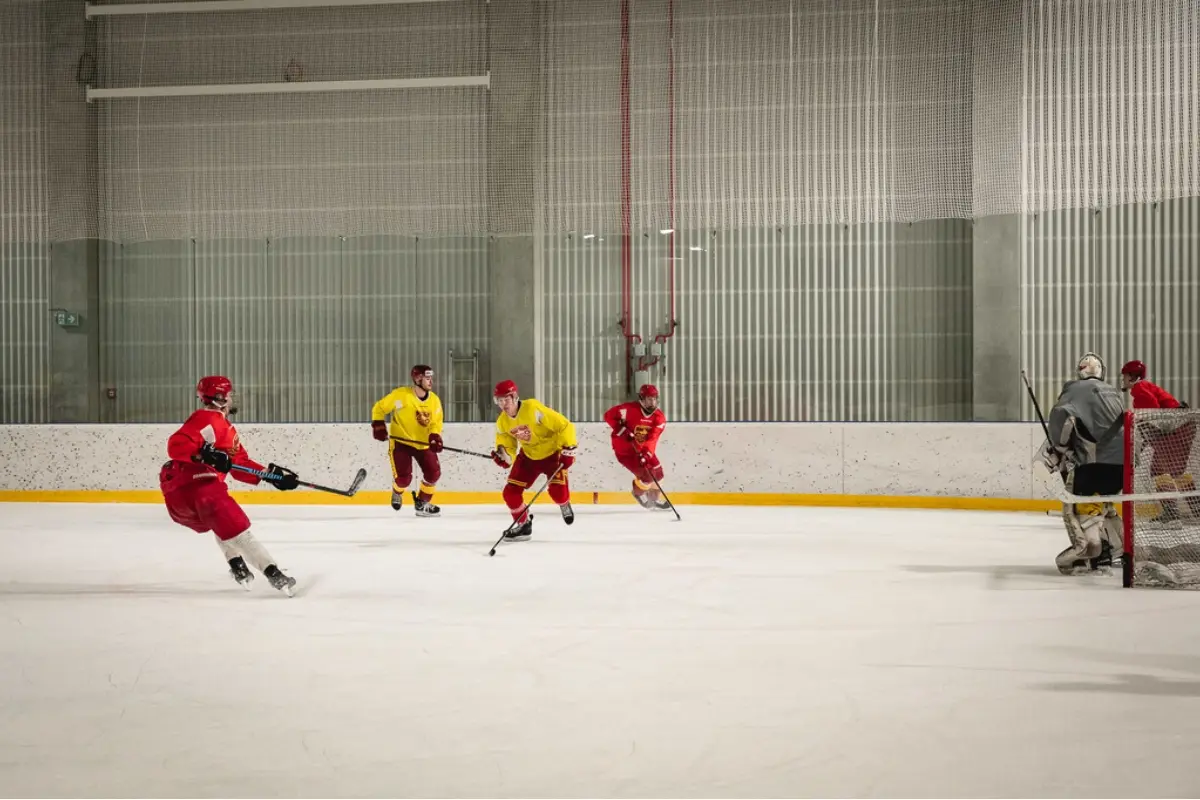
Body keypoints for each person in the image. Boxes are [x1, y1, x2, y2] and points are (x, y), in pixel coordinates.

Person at [158, 375, 298, 595]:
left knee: (222, 523)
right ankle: (276, 576)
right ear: (219, 397)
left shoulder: (223, 427)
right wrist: (204, 455)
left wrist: (272, 476)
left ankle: (238, 568)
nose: (232, 398)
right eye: (230, 394)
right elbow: (176, 445)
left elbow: (238, 463)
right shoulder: (207, 419)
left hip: (189, 493)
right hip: (196, 486)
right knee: (239, 530)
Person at [1039, 353, 1125, 575]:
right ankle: (1113, 552)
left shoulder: (1074, 389)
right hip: (1120, 466)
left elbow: (1061, 417)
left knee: (1075, 507)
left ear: (1080, 371)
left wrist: (1059, 449)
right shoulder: (1113, 391)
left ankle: (1086, 554)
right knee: (1105, 505)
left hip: (1092, 463)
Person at [489, 380, 577, 542]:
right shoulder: (502, 422)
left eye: (506, 400)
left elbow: (564, 426)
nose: (503, 404)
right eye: (499, 400)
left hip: (552, 455)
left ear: (515, 397)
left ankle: (564, 504)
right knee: (510, 493)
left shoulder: (533, 409)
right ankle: (524, 525)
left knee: (558, 494)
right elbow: (508, 448)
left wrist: (568, 448)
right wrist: (504, 457)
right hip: (528, 457)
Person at [1120, 360, 1197, 520]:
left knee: (1160, 470)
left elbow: (1153, 416)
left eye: (1126, 376)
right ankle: (1194, 508)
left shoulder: (1139, 390)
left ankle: (1172, 513)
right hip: (1182, 427)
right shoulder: (1144, 387)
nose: (1123, 379)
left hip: (1175, 430)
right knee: (1172, 471)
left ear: (1133, 376)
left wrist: (1137, 447)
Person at [371, 365, 445, 517]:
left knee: (433, 474)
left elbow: (435, 423)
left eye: (431, 378)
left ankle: (422, 503)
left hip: (423, 444)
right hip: (401, 443)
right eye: (427, 378)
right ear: (418, 379)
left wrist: (434, 436)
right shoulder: (401, 396)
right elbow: (379, 408)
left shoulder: (435, 401)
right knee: (404, 479)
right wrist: (378, 425)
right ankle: (397, 491)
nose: (431, 381)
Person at [603, 384, 669, 509]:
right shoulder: (627, 410)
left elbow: (652, 439)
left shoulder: (659, 418)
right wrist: (622, 430)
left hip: (643, 449)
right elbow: (608, 415)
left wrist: (647, 454)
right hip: (625, 452)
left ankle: (653, 501)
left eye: (654, 399)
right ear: (641, 399)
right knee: (647, 476)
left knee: (658, 474)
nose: (652, 402)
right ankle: (638, 493)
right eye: (649, 399)